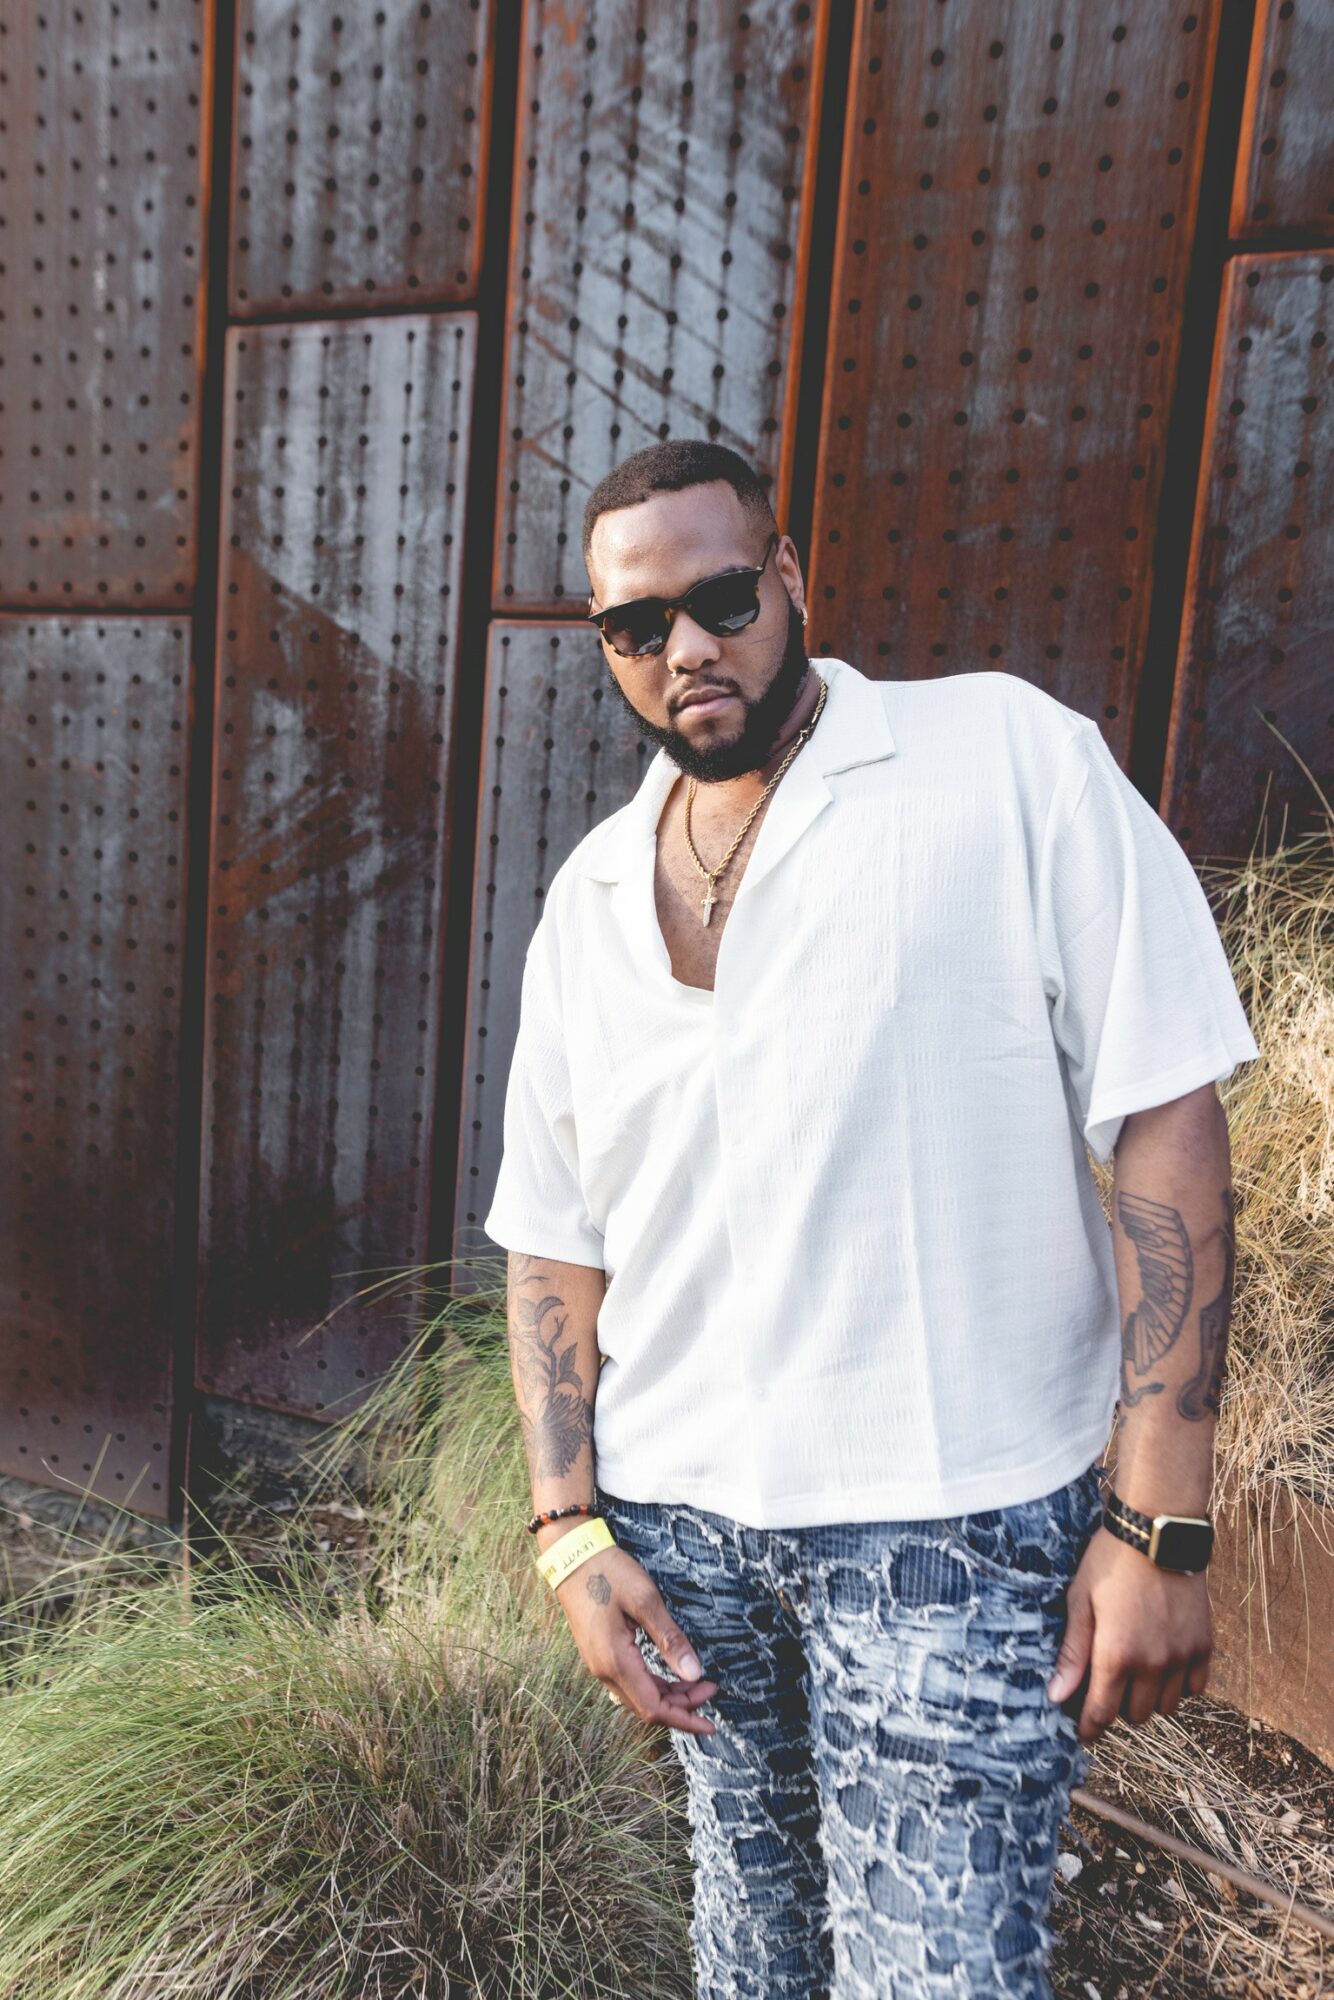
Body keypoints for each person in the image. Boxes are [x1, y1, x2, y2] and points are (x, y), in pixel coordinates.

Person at [483, 439, 1259, 1998]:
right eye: (637, 626)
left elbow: (1168, 1111)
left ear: (788, 580)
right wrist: (569, 1529)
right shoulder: (585, 900)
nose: (685, 648)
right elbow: (553, 1237)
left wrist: (1157, 1515)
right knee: (750, 1969)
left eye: (717, 598)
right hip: (681, 1528)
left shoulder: (1000, 762)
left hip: (951, 1525)